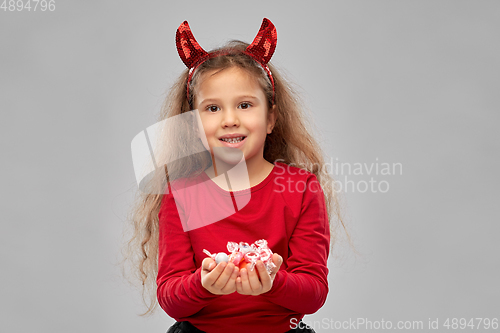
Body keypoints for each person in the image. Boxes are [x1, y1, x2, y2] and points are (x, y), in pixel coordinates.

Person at [124, 18, 351, 333]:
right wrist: (204, 284)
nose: (230, 120)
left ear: (271, 118)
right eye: (213, 109)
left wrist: (273, 281)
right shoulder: (180, 193)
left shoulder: (301, 189)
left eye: (244, 105)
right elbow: (171, 299)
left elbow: (312, 294)